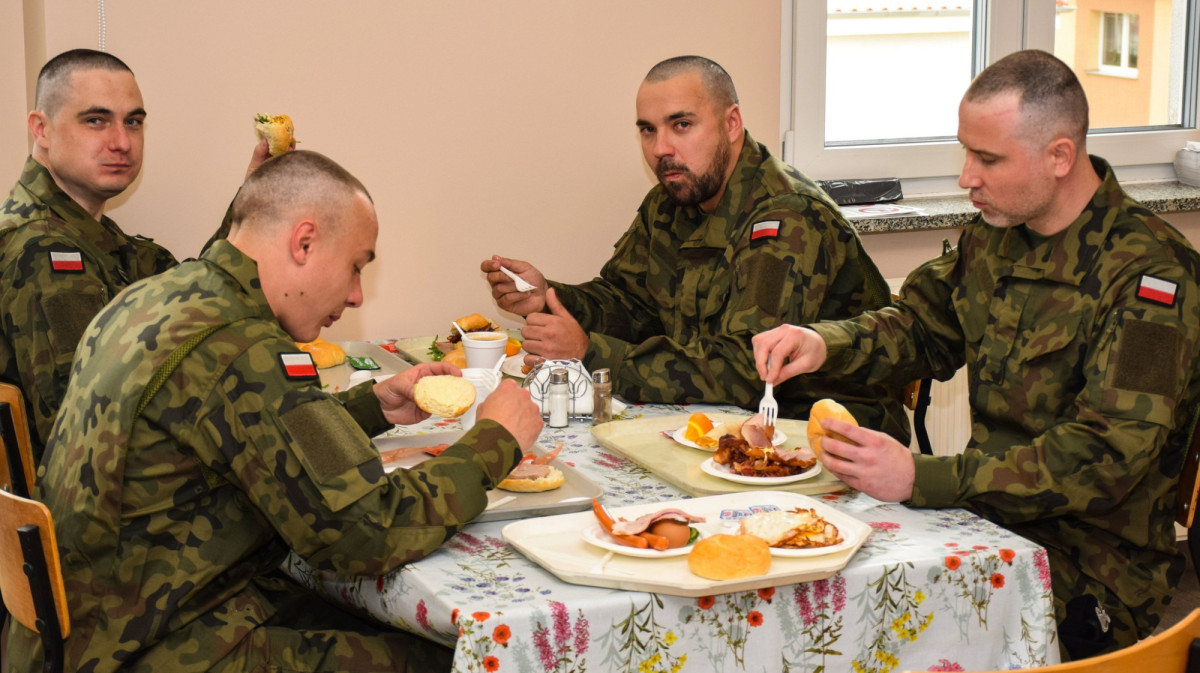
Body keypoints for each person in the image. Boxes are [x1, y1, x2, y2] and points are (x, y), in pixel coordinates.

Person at [8, 150, 545, 673]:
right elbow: (367, 533)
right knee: (469, 657)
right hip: (162, 643)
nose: (357, 296)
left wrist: (372, 407)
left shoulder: (157, 297)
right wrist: (495, 440)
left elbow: (252, 434)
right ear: (304, 242)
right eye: (355, 267)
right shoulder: (245, 347)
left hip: (99, 626)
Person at [753, 49, 1200, 659]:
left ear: (1060, 157)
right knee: (796, 577)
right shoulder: (996, 236)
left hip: (1085, 569)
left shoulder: (1153, 279)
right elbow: (921, 326)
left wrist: (923, 477)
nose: (967, 177)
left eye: (988, 159)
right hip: (982, 522)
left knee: (850, 621)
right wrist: (821, 341)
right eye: (966, 152)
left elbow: (1104, 457)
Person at [483, 55, 907, 438]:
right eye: (648, 130)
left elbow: (747, 368)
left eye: (681, 125)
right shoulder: (672, 200)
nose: (660, 149)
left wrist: (590, 352)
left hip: (823, 438)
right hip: (718, 424)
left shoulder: (787, 216)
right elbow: (630, 302)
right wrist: (549, 297)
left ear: (731, 123)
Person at [0, 49, 272, 460]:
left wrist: (254, 203)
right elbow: (85, 433)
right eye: (96, 120)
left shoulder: (95, 238)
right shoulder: (45, 253)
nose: (122, 142)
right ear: (42, 129)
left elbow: (195, 305)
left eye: (133, 122)